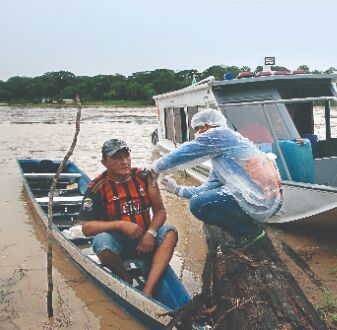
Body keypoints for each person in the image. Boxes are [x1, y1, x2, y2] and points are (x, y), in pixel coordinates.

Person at [150, 109, 283, 248]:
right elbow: (207, 188)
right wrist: (177, 189)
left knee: (198, 204)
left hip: (262, 198)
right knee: (202, 201)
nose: (198, 134)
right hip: (268, 200)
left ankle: (249, 233)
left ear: (206, 125)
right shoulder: (222, 157)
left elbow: (184, 153)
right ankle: (249, 228)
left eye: (198, 129)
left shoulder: (220, 134)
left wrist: (155, 168)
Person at [79, 139, 178, 297]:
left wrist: (150, 233)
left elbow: (160, 211)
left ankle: (148, 289)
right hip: (118, 245)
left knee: (170, 233)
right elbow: (86, 228)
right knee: (101, 242)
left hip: (146, 242)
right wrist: (120, 225)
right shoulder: (96, 187)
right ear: (105, 163)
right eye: (117, 158)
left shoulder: (145, 177)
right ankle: (124, 276)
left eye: (126, 156)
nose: (124, 162)